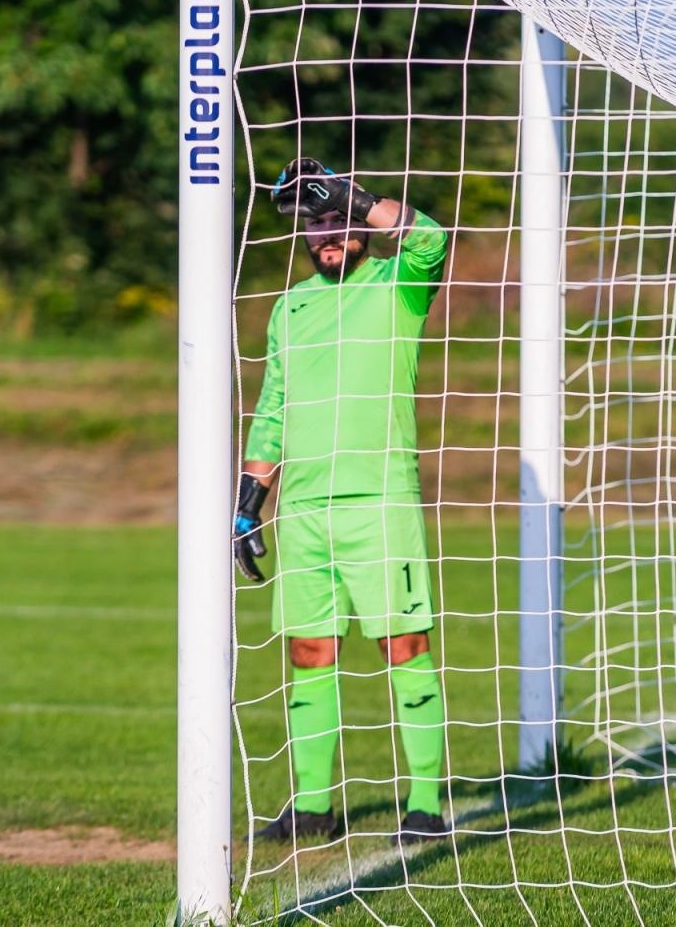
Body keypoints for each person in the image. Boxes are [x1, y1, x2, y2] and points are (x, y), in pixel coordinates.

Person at [234, 157, 451, 846]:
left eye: (338, 221)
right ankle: (313, 808)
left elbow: (432, 238)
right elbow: (273, 408)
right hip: (303, 510)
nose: (328, 235)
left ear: (357, 224)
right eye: (316, 224)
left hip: (379, 503)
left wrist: (356, 198)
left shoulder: (397, 284)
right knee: (308, 651)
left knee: (404, 643)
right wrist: (249, 503)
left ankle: (425, 806)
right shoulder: (289, 307)